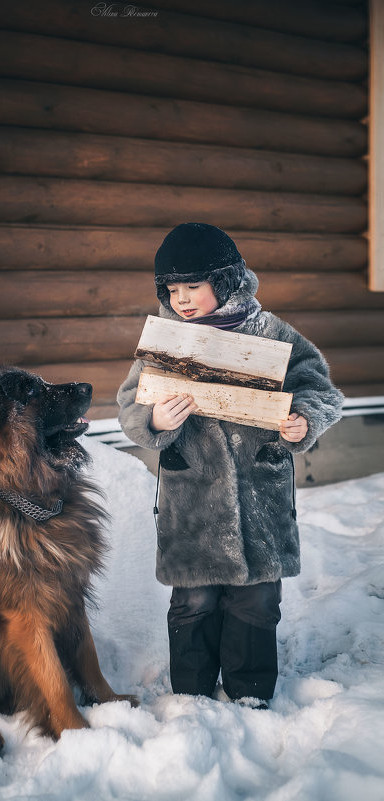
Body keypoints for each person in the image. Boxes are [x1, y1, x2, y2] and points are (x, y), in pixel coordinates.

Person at [117, 223, 344, 708]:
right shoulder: (166, 345)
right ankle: (193, 698)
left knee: (256, 601)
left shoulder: (269, 333)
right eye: (172, 289)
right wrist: (154, 418)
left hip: (258, 495)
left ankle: (249, 693)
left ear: (225, 281)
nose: (181, 299)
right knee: (194, 600)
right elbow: (129, 405)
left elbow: (318, 387)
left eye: (192, 287)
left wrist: (303, 419)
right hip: (192, 497)